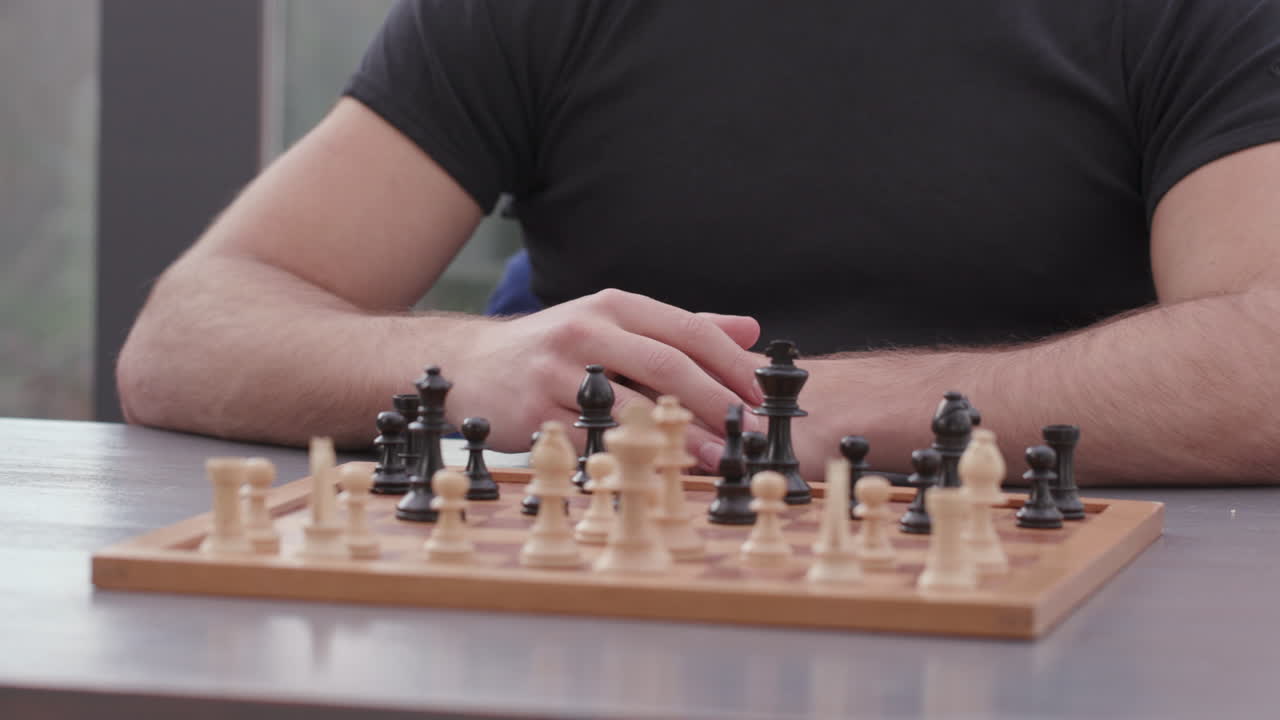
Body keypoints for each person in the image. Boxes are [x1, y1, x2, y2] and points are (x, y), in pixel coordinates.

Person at [116, 1, 1280, 486]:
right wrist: (470, 368)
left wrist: (796, 409)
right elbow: (190, 330)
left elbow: (1263, 356)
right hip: (614, 621)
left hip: (1067, 621)